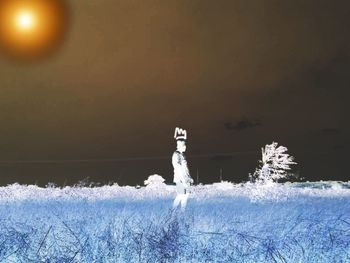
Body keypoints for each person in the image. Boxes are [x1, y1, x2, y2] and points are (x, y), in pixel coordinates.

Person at [172, 127, 194, 210]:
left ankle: (182, 212)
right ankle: (172, 212)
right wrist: (183, 180)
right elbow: (178, 168)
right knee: (180, 195)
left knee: (185, 196)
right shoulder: (176, 155)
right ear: (180, 145)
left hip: (186, 179)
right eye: (184, 145)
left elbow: (186, 169)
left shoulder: (183, 155)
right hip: (180, 179)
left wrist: (189, 178)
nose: (185, 147)